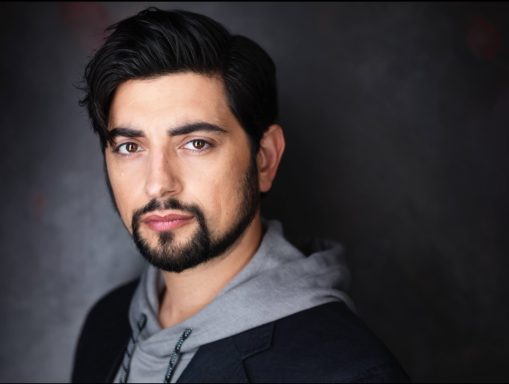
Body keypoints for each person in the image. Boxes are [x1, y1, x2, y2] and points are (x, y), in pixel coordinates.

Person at [71, 7, 410, 383]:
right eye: (130, 147)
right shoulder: (107, 323)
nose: (158, 183)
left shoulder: (349, 373)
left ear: (264, 159)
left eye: (196, 143)